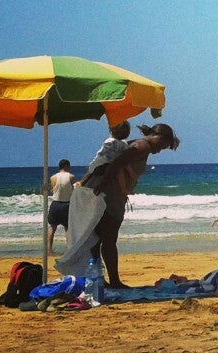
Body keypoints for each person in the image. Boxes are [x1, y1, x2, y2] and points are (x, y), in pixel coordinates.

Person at [90, 123, 180, 288]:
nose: (160, 150)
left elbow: (121, 165)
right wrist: (103, 184)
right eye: (163, 145)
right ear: (158, 137)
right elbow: (116, 164)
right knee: (108, 239)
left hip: (114, 194)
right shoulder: (141, 146)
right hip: (112, 196)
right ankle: (111, 281)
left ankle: (100, 280)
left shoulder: (139, 145)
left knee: (101, 239)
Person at [47, 159, 75, 252]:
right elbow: (74, 190)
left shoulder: (53, 177)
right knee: (67, 227)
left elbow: (53, 190)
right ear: (66, 166)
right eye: (69, 166)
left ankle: (49, 248)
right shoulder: (71, 176)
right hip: (66, 204)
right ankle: (69, 248)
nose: (70, 168)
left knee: (52, 227)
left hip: (55, 204)